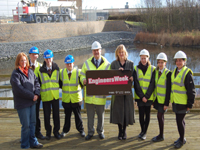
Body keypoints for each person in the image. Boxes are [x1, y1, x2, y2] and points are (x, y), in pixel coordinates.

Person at [10, 52, 43, 149]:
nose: (24, 62)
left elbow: (37, 83)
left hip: (32, 102)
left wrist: (37, 93)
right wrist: (31, 95)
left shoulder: (30, 71)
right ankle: (25, 145)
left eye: (25, 60)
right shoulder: (15, 74)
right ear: (18, 62)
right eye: (21, 60)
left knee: (33, 123)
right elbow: (19, 89)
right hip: (23, 104)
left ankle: (33, 141)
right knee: (26, 125)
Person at [80, 41, 110, 140]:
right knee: (90, 116)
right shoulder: (86, 63)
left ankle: (100, 131)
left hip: (101, 96)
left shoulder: (107, 64)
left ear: (101, 50)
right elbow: (82, 74)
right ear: (92, 51)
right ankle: (90, 132)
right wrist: (82, 80)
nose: (96, 52)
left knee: (101, 116)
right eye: (94, 50)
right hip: (90, 96)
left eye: (98, 50)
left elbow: (110, 78)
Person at [110, 44, 135, 140]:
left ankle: (124, 131)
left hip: (127, 93)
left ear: (125, 53)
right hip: (117, 93)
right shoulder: (113, 64)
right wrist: (117, 72)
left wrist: (132, 78)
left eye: (123, 52)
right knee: (118, 112)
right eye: (119, 52)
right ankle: (119, 130)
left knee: (126, 112)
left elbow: (133, 77)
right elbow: (110, 78)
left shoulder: (131, 64)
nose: (121, 54)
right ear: (117, 53)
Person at [171, 50, 195, 149]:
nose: (178, 62)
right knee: (180, 121)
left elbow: (191, 91)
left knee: (180, 121)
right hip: (176, 102)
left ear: (184, 61)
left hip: (183, 103)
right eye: (177, 61)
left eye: (181, 60)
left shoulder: (187, 73)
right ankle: (182, 137)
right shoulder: (175, 71)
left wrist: (190, 104)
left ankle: (181, 140)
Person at [36, 49, 62, 140]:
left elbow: (61, 82)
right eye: (46, 59)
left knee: (56, 115)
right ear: (44, 59)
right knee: (46, 116)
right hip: (46, 96)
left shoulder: (57, 69)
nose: (48, 60)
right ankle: (48, 132)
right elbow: (37, 84)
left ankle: (56, 132)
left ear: (52, 58)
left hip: (55, 96)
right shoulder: (40, 70)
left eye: (50, 58)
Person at [133, 49, 156, 140]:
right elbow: (136, 84)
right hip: (140, 97)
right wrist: (142, 96)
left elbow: (152, 84)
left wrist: (146, 96)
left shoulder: (153, 69)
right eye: (142, 58)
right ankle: (142, 131)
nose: (143, 60)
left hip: (149, 97)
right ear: (140, 58)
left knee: (148, 114)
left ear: (148, 58)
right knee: (141, 115)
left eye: (145, 58)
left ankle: (145, 132)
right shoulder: (136, 68)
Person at [60, 55, 85, 137]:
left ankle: (81, 130)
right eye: (67, 64)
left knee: (78, 116)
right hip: (66, 99)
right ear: (65, 64)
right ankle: (65, 131)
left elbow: (83, 82)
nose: (69, 65)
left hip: (76, 99)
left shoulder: (78, 72)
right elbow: (60, 84)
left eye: (70, 63)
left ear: (73, 63)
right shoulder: (62, 72)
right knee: (67, 117)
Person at [152, 52, 171, 142]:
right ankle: (161, 134)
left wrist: (166, 103)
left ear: (165, 63)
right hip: (157, 100)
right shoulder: (156, 72)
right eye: (159, 62)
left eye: (162, 62)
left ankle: (161, 135)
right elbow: (155, 86)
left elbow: (168, 90)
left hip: (163, 101)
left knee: (160, 116)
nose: (160, 64)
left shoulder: (168, 74)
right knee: (159, 117)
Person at [29, 46, 45, 140]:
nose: (34, 55)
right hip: (27, 94)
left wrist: (37, 93)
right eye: (33, 54)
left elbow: (40, 81)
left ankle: (37, 132)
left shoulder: (40, 66)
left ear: (38, 55)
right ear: (30, 55)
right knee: (28, 114)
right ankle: (29, 133)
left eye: (36, 54)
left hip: (37, 94)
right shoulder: (26, 65)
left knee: (36, 114)